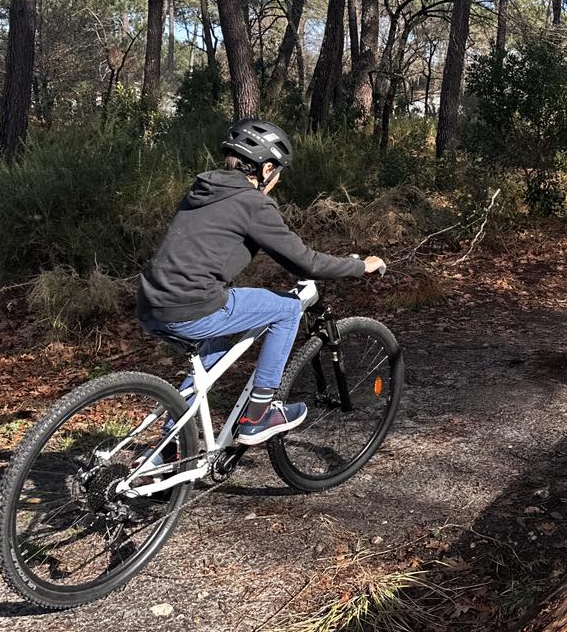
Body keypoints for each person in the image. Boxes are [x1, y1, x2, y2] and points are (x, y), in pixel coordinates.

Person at [137, 118, 385, 445]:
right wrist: (359, 267)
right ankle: (260, 413)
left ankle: (172, 446)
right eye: (278, 173)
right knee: (286, 309)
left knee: (214, 353)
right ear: (266, 168)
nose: (276, 181)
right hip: (192, 305)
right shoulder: (252, 202)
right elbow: (305, 262)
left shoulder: (202, 190)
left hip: (151, 303)